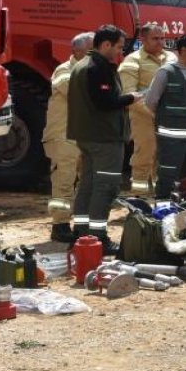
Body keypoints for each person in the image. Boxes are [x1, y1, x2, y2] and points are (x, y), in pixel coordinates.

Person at [67, 25, 142, 254]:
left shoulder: (81, 65)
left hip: (88, 136)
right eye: (119, 47)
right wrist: (131, 97)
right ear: (106, 44)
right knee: (106, 187)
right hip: (104, 138)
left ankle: (81, 234)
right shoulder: (97, 68)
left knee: (88, 185)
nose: (120, 52)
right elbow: (106, 102)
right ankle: (98, 237)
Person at [43, 32, 94, 244]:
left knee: (86, 182)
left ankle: (82, 223)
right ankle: (60, 225)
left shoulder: (94, 71)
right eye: (91, 51)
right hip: (63, 136)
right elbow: (73, 89)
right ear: (76, 51)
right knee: (63, 181)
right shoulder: (64, 70)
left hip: (84, 136)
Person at [144, 35, 186, 199]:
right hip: (171, 138)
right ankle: (163, 210)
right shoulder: (165, 72)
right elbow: (150, 102)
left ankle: (185, 210)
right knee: (167, 176)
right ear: (184, 50)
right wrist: (169, 120)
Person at [119, 23, 171, 194]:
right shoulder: (133, 61)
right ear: (143, 39)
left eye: (162, 38)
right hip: (143, 118)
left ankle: (161, 197)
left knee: (165, 158)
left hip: (169, 117)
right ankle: (139, 199)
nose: (160, 42)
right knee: (144, 157)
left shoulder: (172, 58)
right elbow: (129, 94)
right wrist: (154, 113)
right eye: (155, 39)